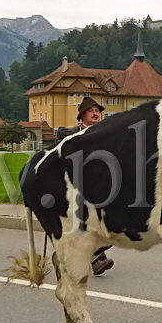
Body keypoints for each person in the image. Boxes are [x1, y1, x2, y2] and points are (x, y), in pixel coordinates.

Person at [55, 97, 115, 276]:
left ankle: (92, 255)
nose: (96, 113)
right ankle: (96, 258)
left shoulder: (104, 134)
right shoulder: (71, 135)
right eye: (92, 110)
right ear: (82, 115)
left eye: (98, 111)